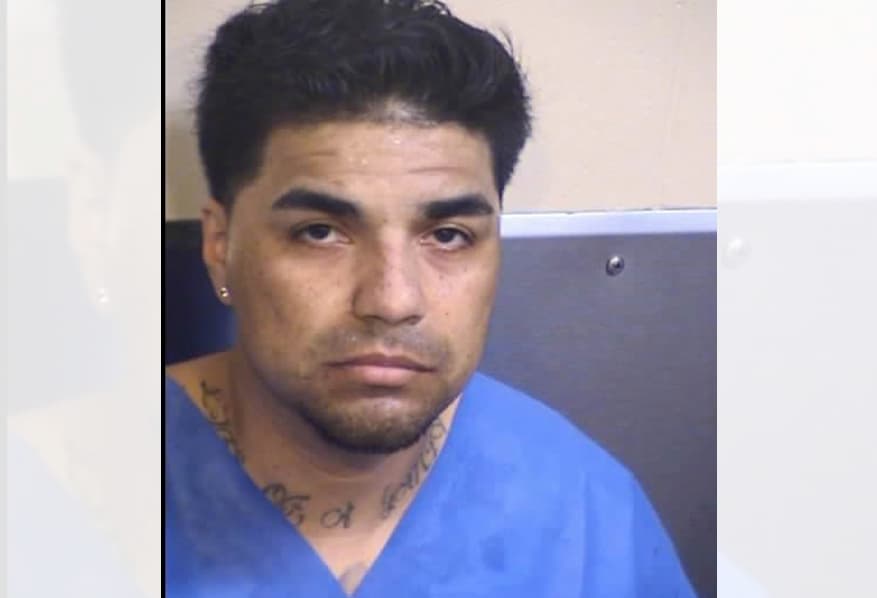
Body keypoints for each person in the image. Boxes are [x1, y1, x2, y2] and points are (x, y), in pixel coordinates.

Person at [164, 1, 696, 596]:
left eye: (447, 236)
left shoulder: (587, 515)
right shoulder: (100, 488)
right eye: (319, 232)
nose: (393, 301)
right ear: (220, 247)